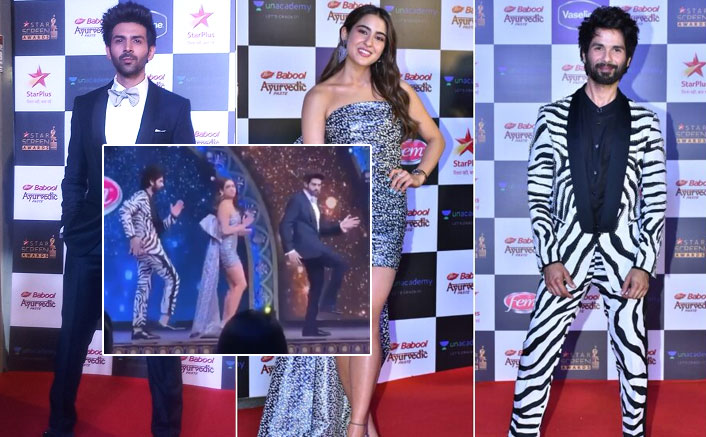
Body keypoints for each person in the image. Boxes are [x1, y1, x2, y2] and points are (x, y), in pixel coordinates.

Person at [259, 5, 445, 437]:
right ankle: (362, 425)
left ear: (385, 47)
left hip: (387, 214)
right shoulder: (320, 96)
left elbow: (435, 138)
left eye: (380, 37)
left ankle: (356, 427)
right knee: (351, 324)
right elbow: (316, 166)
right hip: (345, 220)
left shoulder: (397, 90)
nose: (370, 42)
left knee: (367, 316)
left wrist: (418, 173)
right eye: (363, 32)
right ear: (345, 34)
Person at [508, 7, 666, 437]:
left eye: (616, 49)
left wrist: (644, 264)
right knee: (537, 354)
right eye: (599, 47)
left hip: (625, 256)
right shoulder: (551, 116)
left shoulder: (647, 123)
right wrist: (548, 258)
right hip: (565, 254)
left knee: (633, 358)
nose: (607, 57)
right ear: (584, 53)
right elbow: (538, 194)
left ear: (628, 58)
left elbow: (655, 200)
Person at [45, 3, 195, 436]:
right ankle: (59, 425)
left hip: (145, 240)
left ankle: (166, 431)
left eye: (137, 40)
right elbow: (74, 173)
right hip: (91, 239)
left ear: (151, 49)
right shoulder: (86, 104)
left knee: (159, 345)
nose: (128, 47)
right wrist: (72, 225)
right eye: (119, 40)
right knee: (72, 338)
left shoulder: (174, 107)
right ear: (108, 48)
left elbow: (182, 173)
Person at [279, 173, 361, 337]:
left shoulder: (314, 203)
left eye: (319, 185)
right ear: (306, 184)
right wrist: (289, 249)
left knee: (316, 287)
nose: (317, 188)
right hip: (309, 248)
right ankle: (328, 304)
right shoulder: (298, 200)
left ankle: (309, 328)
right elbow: (285, 224)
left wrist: (340, 226)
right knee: (341, 263)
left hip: (313, 249)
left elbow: (319, 229)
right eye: (314, 184)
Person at [119, 165, 184, 340]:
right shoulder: (141, 196)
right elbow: (124, 210)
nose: (163, 184)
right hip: (150, 248)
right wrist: (132, 236)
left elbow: (159, 229)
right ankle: (164, 320)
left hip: (145, 249)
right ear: (151, 181)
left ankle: (138, 328)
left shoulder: (149, 200)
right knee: (173, 278)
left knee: (143, 286)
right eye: (160, 181)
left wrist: (173, 216)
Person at [191, 177, 254, 338]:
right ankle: (227, 323)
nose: (232, 189)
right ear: (221, 191)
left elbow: (233, 231)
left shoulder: (231, 205)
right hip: (228, 251)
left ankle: (224, 324)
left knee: (233, 287)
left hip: (231, 249)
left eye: (233, 186)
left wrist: (243, 228)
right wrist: (243, 225)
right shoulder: (224, 205)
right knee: (241, 284)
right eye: (228, 187)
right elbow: (224, 231)